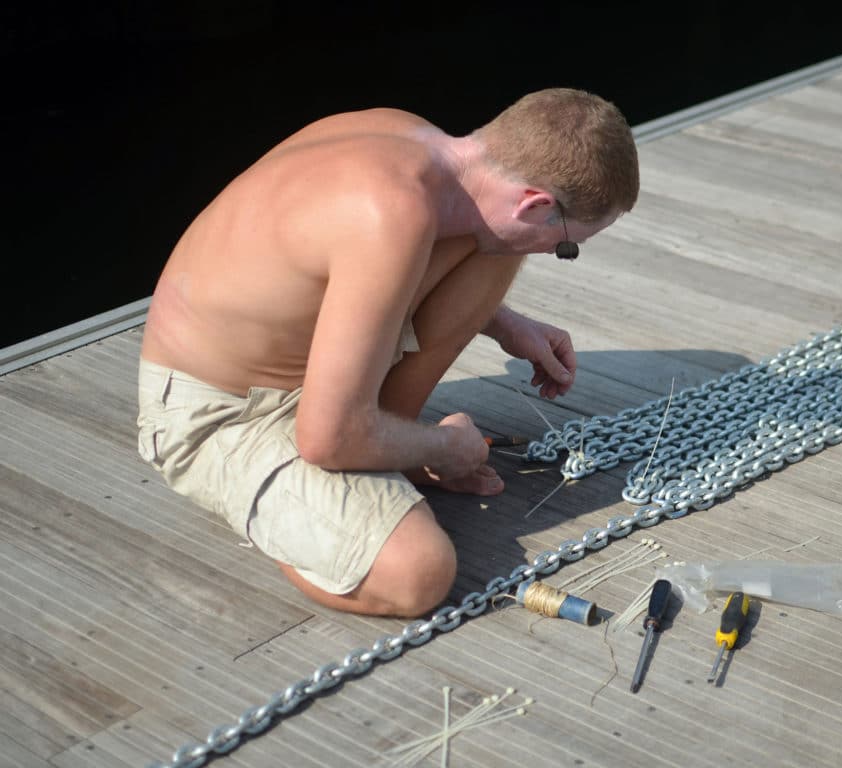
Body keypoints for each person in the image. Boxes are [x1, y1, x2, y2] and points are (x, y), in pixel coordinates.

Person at [136, 87, 640, 617]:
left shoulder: (413, 143)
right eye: (565, 245)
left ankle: (385, 443)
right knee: (418, 574)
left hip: (309, 375)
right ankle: (291, 516)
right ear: (535, 202)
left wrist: (505, 323)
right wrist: (445, 448)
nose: (557, 251)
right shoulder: (389, 214)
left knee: (495, 246)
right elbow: (326, 438)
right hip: (223, 413)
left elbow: (342, 262)